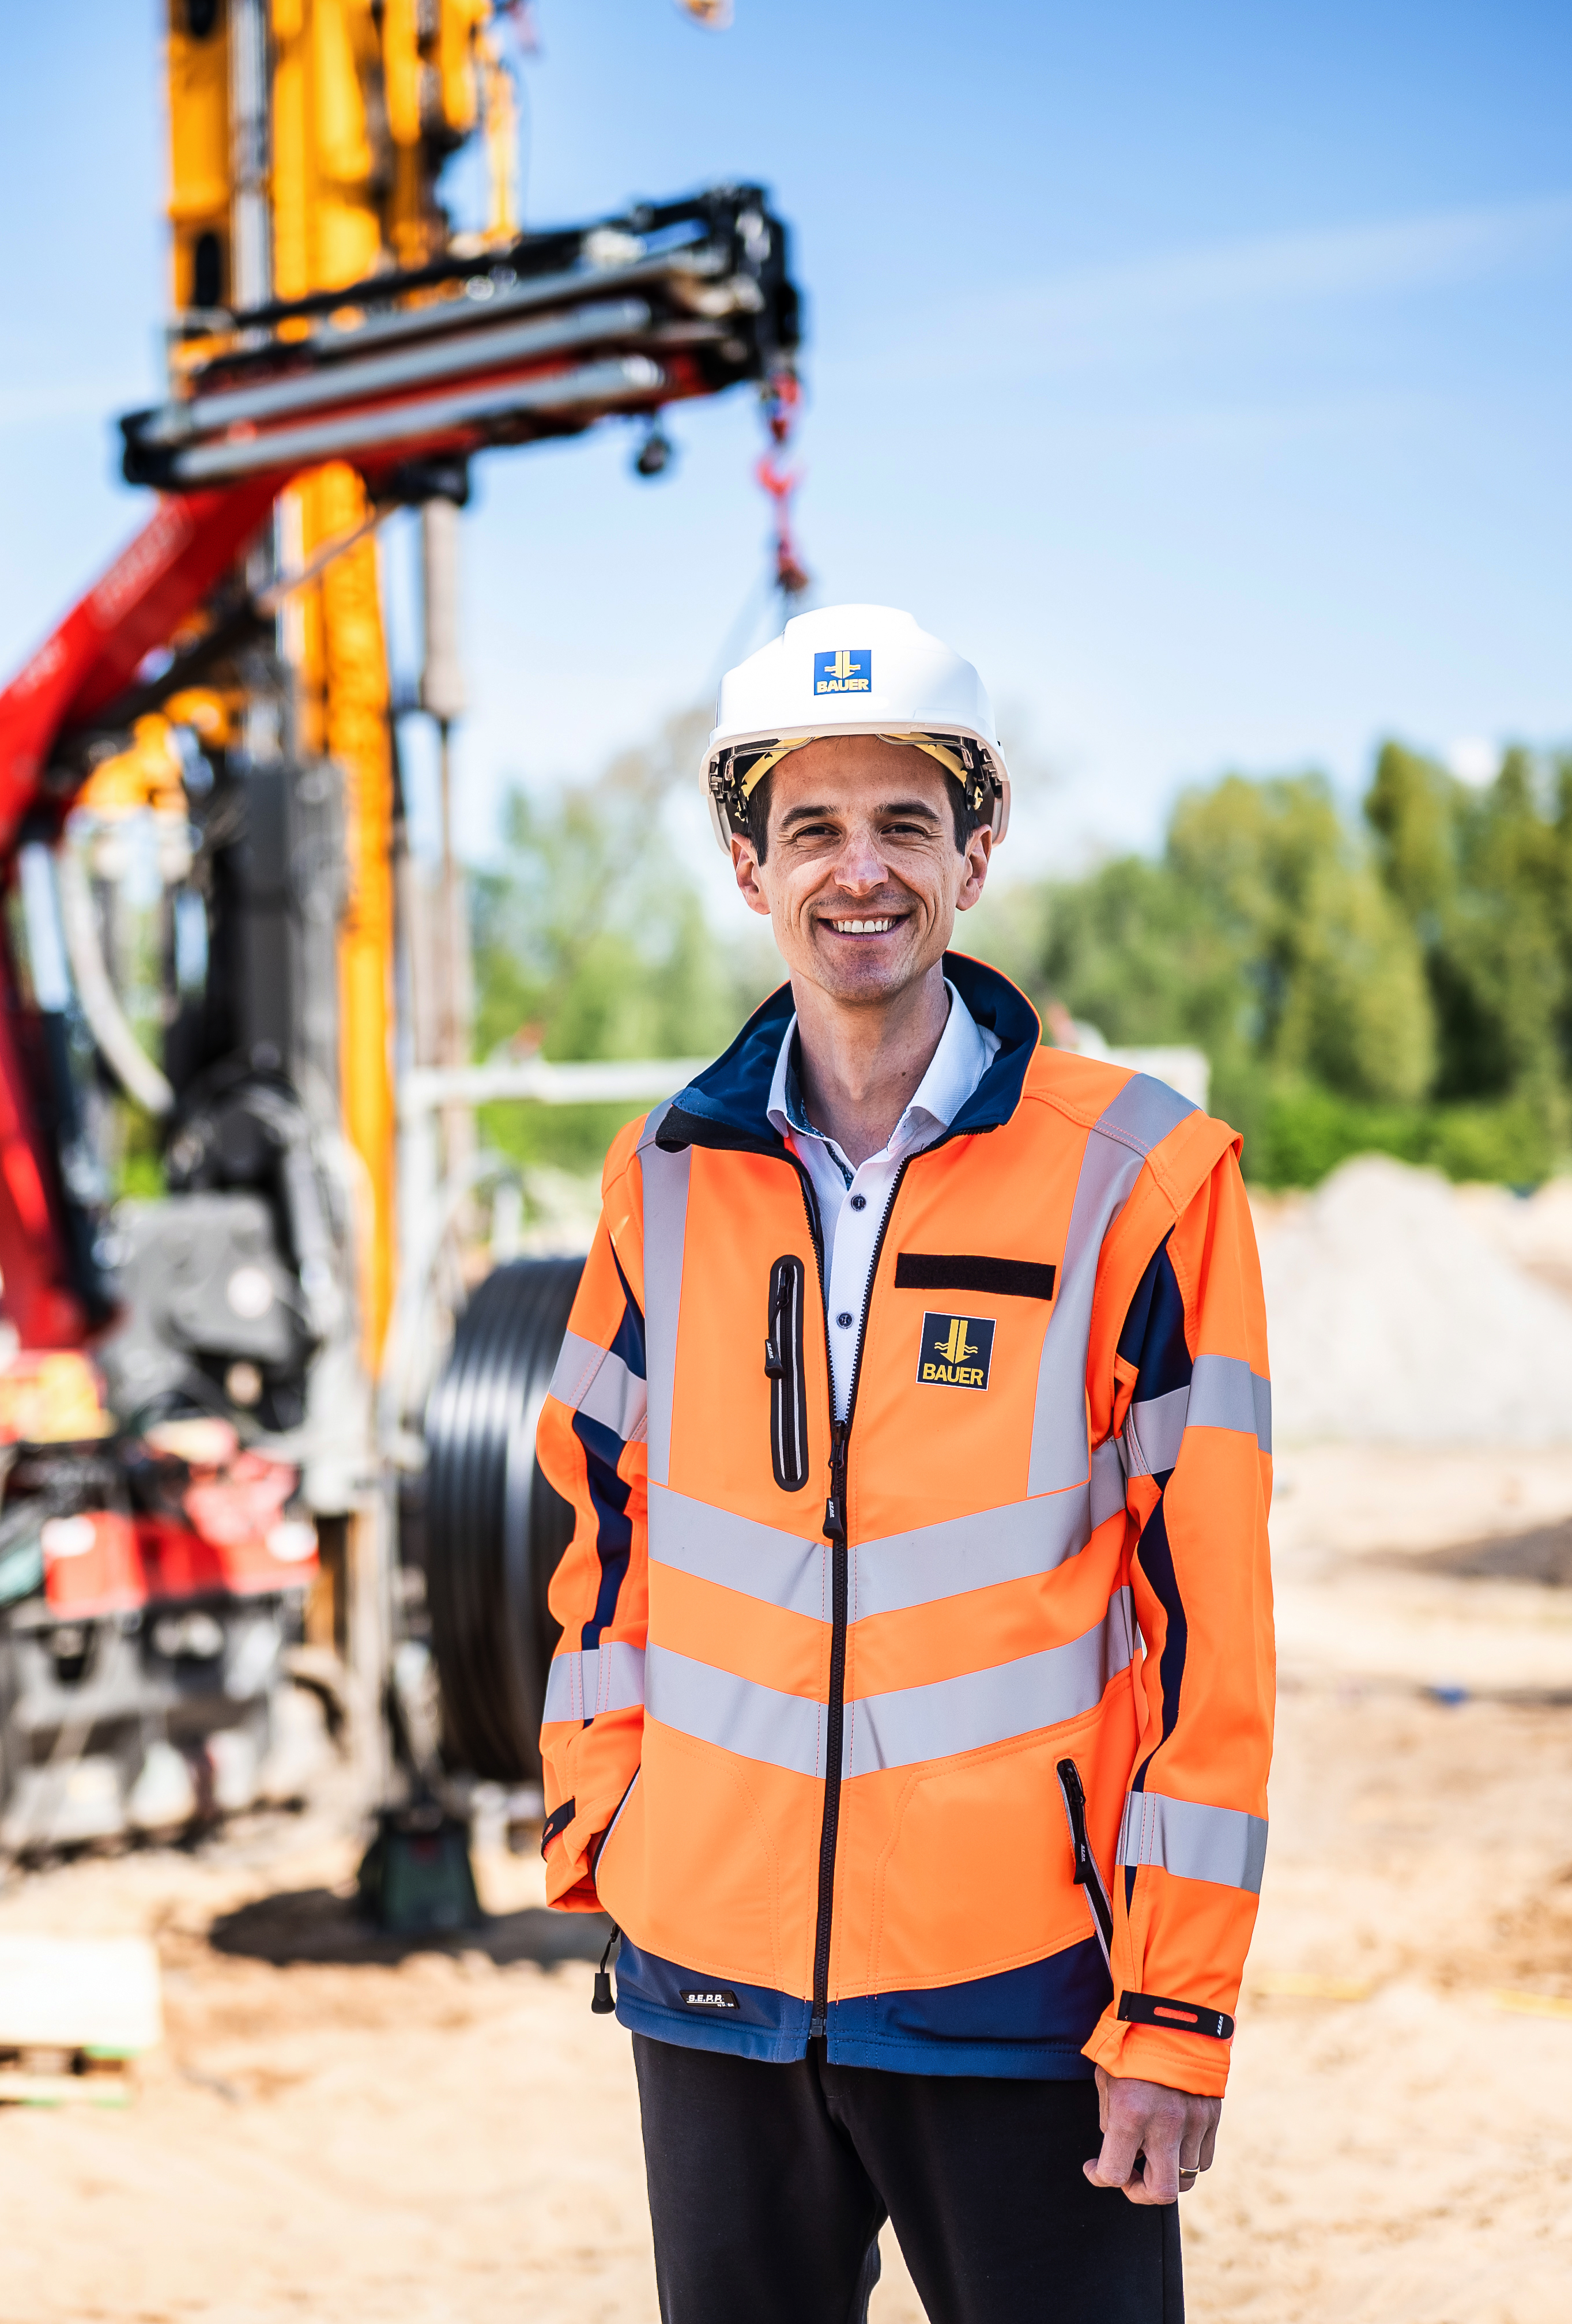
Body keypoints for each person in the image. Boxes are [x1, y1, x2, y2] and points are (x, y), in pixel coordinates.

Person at [534, 605, 1276, 2322]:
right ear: (748, 867)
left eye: (902, 826)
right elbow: (601, 1537)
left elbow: (1206, 1627)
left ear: (977, 852)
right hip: (709, 1980)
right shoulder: (657, 1179)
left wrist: (1175, 2003)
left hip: (1020, 1987)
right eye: (811, 828)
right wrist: (608, 1826)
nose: (856, 872)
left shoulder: (1144, 1179)